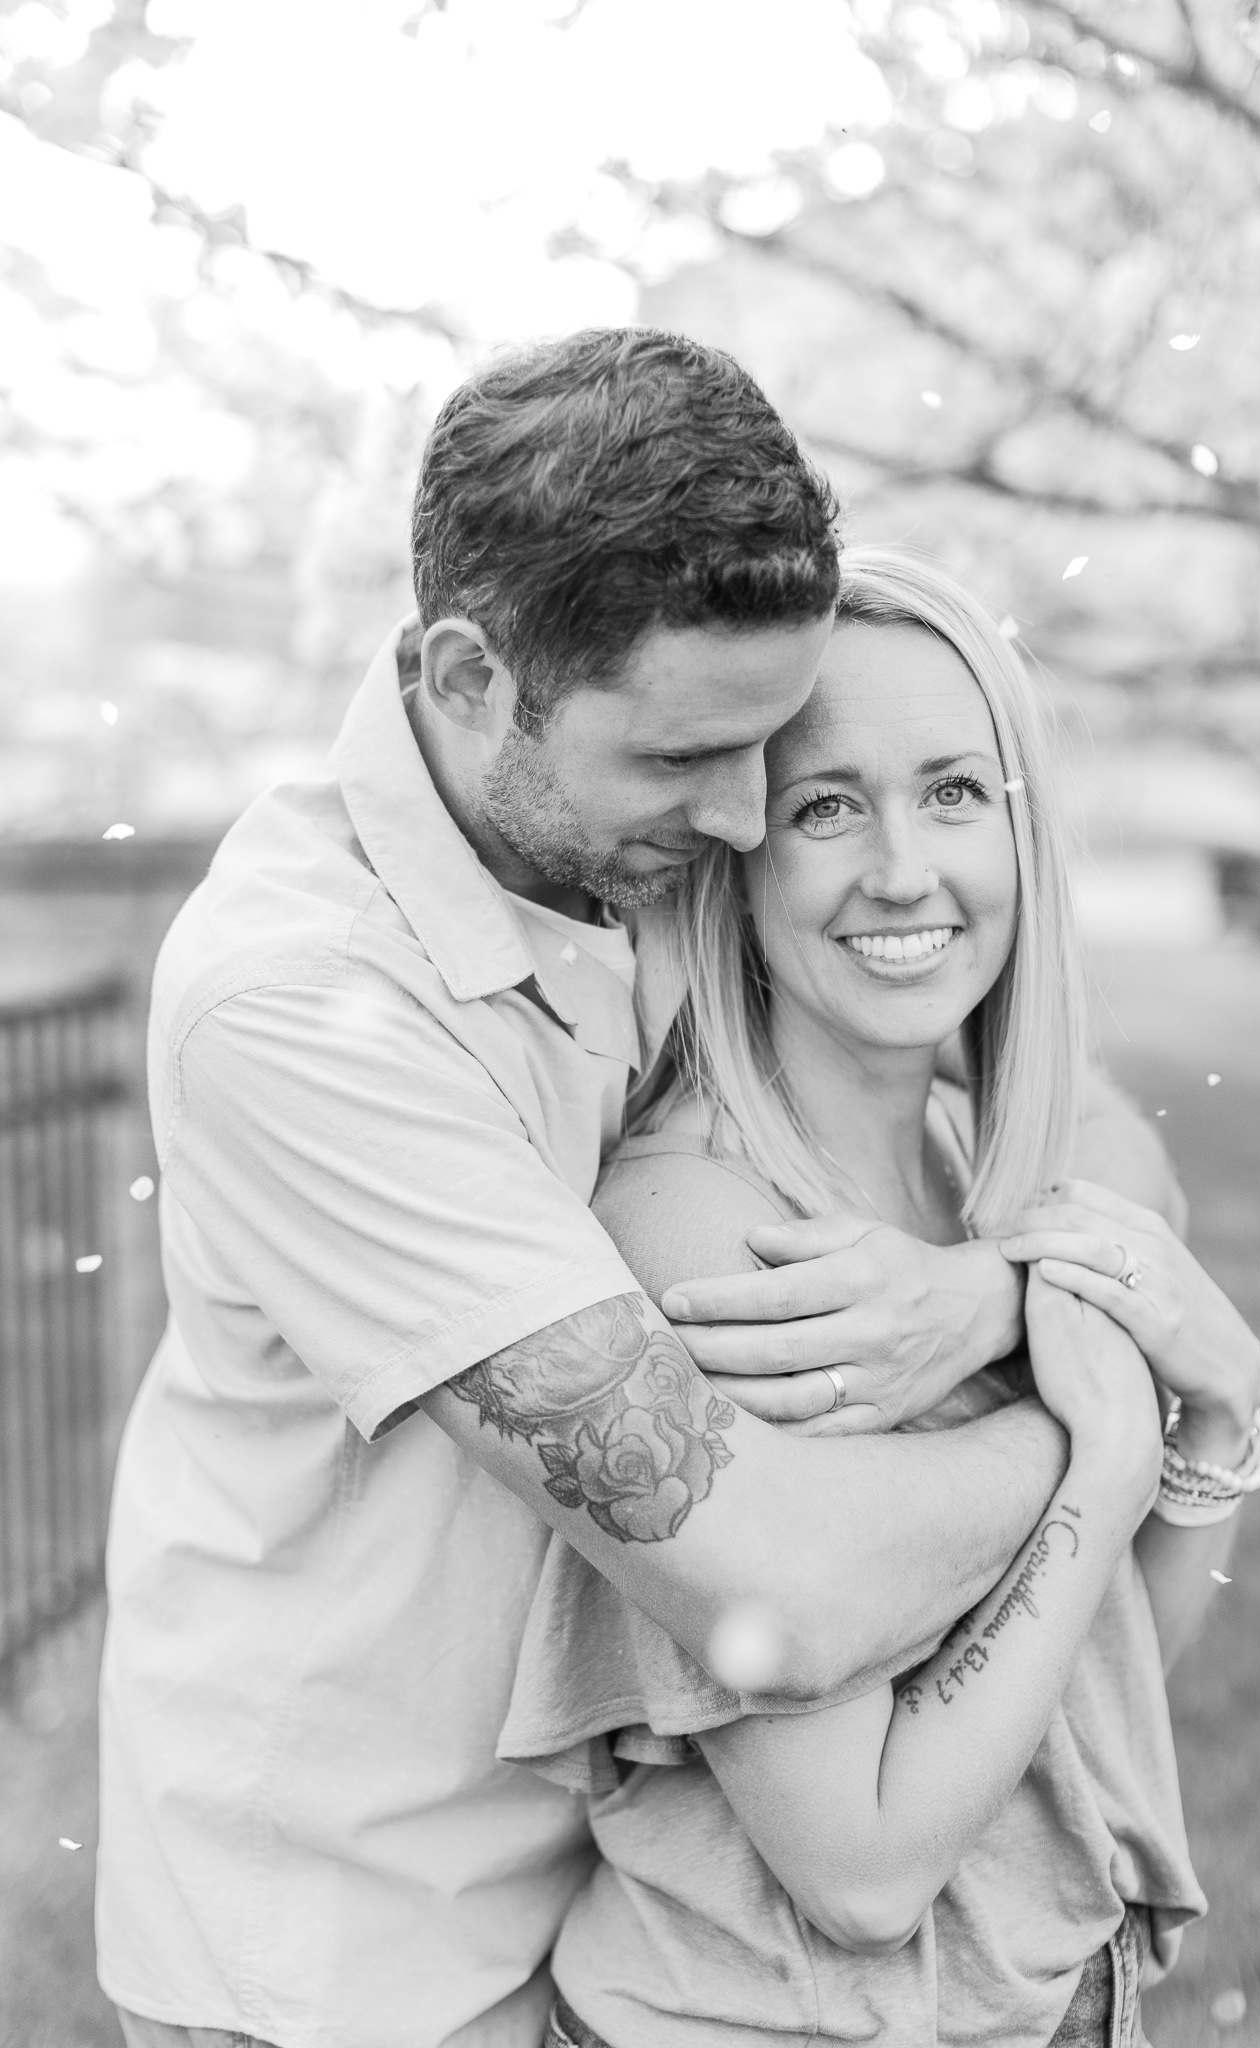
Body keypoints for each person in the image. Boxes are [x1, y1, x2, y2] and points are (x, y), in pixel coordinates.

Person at [97, 330, 1186, 2048]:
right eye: (688, 756)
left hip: (618, 1896)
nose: (751, 819)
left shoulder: (620, 859)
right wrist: (1102, 1423)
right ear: (469, 676)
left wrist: (985, 1294)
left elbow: (1082, 1105)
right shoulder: (308, 1013)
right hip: (357, 1941)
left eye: (772, 751)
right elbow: (782, 1594)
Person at [494, 550, 1260, 2048]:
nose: (904, 869)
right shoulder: (711, 1237)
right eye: (825, 806)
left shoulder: (976, 1168)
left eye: (955, 793)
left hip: (1055, 1996)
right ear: (734, 852)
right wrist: (1101, 1452)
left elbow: (1107, 1678)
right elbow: (859, 1867)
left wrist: (1216, 1426)